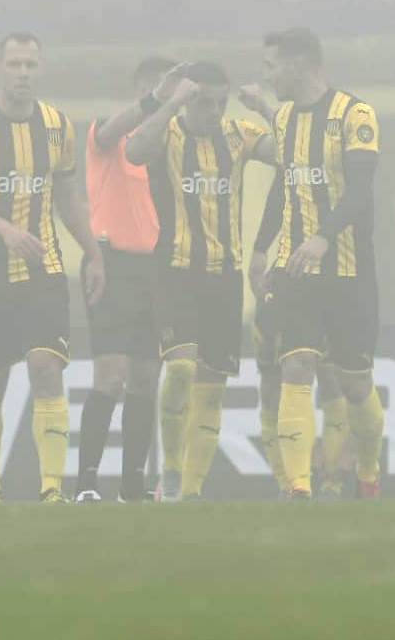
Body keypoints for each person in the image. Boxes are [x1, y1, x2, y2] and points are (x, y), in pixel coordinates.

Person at [0, 32, 105, 504]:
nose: (23, 74)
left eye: (30, 65)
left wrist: (94, 253)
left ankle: (52, 489)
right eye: (14, 64)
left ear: (40, 69)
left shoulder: (57, 125)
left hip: (44, 269)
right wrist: (5, 231)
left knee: (45, 365)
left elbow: (68, 198)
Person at [242, 27, 385, 501]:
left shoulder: (355, 114)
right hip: (296, 270)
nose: (268, 75)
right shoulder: (283, 121)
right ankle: (299, 487)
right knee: (297, 365)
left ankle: (367, 471)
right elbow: (285, 188)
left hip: (347, 272)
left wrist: (324, 237)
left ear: (298, 64)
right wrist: (262, 248)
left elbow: (361, 193)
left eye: (272, 66)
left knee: (356, 383)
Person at [126, 61, 276, 501]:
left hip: (224, 276)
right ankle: (170, 471)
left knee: (211, 387)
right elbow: (133, 152)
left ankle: (189, 492)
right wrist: (170, 100)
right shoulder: (168, 132)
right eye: (204, 102)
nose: (213, 111)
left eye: (219, 103)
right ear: (188, 100)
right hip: (174, 271)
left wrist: (265, 108)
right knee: (178, 368)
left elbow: (292, 155)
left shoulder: (237, 134)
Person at [73, 57, 177, 504]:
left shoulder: (166, 149)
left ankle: (133, 486)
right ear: (140, 90)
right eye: (155, 90)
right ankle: (87, 485)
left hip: (151, 270)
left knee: (145, 378)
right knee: (110, 378)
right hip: (110, 263)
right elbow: (116, 129)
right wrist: (158, 99)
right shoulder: (108, 137)